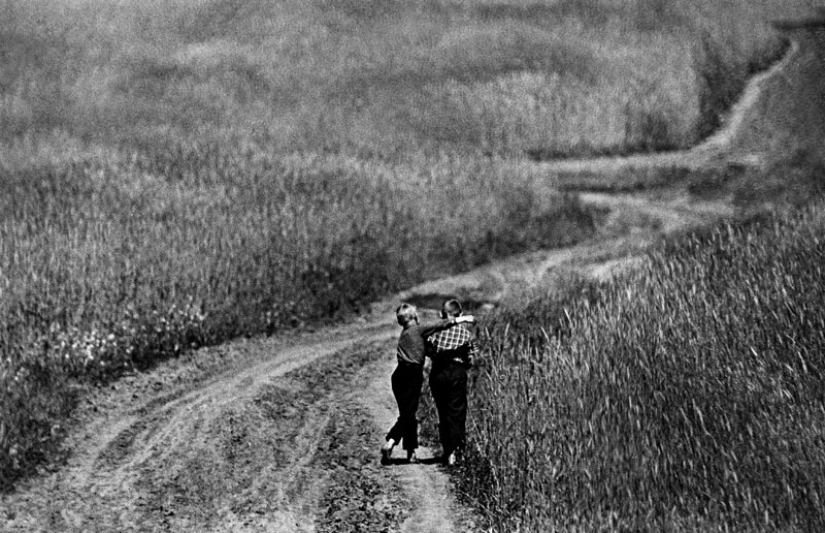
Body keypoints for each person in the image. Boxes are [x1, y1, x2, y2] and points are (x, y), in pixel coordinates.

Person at [382, 303, 474, 465]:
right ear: (413, 317)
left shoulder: (410, 333)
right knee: (414, 414)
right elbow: (442, 326)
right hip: (417, 375)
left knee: (412, 413)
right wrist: (463, 319)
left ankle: (410, 452)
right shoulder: (419, 329)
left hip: (404, 374)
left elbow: (429, 347)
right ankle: (392, 442)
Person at [426, 299, 477, 466]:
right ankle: (455, 452)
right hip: (457, 372)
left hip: (438, 372)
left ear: (441, 314)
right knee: (457, 411)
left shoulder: (435, 332)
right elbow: (471, 359)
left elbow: (428, 350)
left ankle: (447, 450)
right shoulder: (465, 334)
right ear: (460, 315)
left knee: (443, 411)